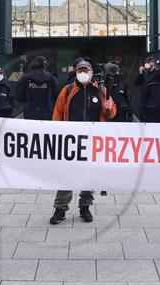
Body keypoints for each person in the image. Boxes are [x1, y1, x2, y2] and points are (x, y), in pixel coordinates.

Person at [50, 60, 117, 224]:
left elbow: (112, 112)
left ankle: (85, 206)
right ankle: (60, 209)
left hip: (93, 141)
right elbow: (57, 113)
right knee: (67, 176)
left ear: (91, 72)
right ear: (75, 72)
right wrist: (56, 133)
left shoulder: (101, 90)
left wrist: (110, 106)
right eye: (80, 70)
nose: (82, 73)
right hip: (71, 140)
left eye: (85, 70)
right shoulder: (67, 91)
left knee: (90, 175)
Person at [15, 55, 59, 120]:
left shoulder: (25, 78)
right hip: (47, 114)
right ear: (45, 65)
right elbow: (58, 97)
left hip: (30, 113)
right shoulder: (52, 79)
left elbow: (19, 97)